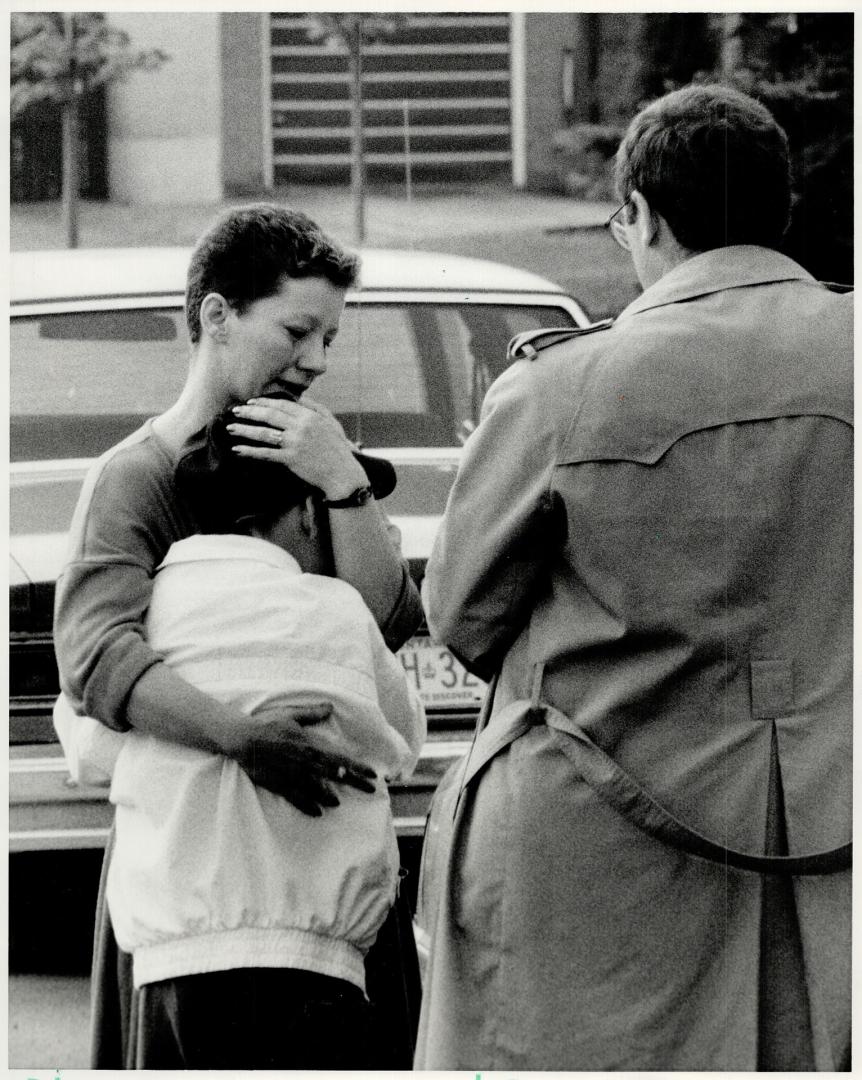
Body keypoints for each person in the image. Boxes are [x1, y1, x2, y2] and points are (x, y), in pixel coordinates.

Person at [415, 84, 851, 1071]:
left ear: (642, 216)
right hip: (833, 825)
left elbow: (462, 616)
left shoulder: (563, 387)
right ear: (778, 210)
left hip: (601, 844)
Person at [52, 204, 424, 1066]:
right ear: (216, 315)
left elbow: (385, 622)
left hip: (332, 893)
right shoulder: (135, 479)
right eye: (298, 330)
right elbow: (96, 659)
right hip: (195, 891)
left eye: (329, 337)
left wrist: (344, 487)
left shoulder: (318, 461)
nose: (317, 361)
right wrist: (243, 738)